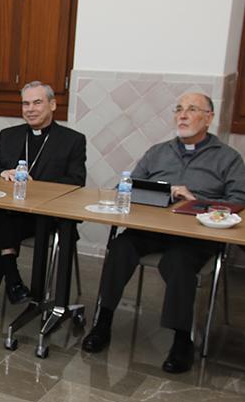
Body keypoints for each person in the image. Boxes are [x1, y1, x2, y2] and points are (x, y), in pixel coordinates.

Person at [82, 92, 245, 373]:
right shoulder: (158, 151)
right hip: (153, 228)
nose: (182, 115)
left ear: (209, 118)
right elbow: (129, 186)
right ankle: (102, 322)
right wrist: (161, 191)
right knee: (121, 247)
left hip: (195, 234)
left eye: (192, 109)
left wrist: (194, 200)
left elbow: (238, 202)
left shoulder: (228, 158)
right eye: (178, 109)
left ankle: (182, 340)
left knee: (178, 262)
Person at [0, 81, 86, 327]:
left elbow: (76, 181)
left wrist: (36, 184)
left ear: (52, 104)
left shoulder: (72, 140)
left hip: (46, 216)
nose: (30, 109)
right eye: (25, 103)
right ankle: (11, 280)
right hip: (10, 211)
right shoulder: (9, 135)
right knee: (2, 219)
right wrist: (4, 173)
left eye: (37, 102)